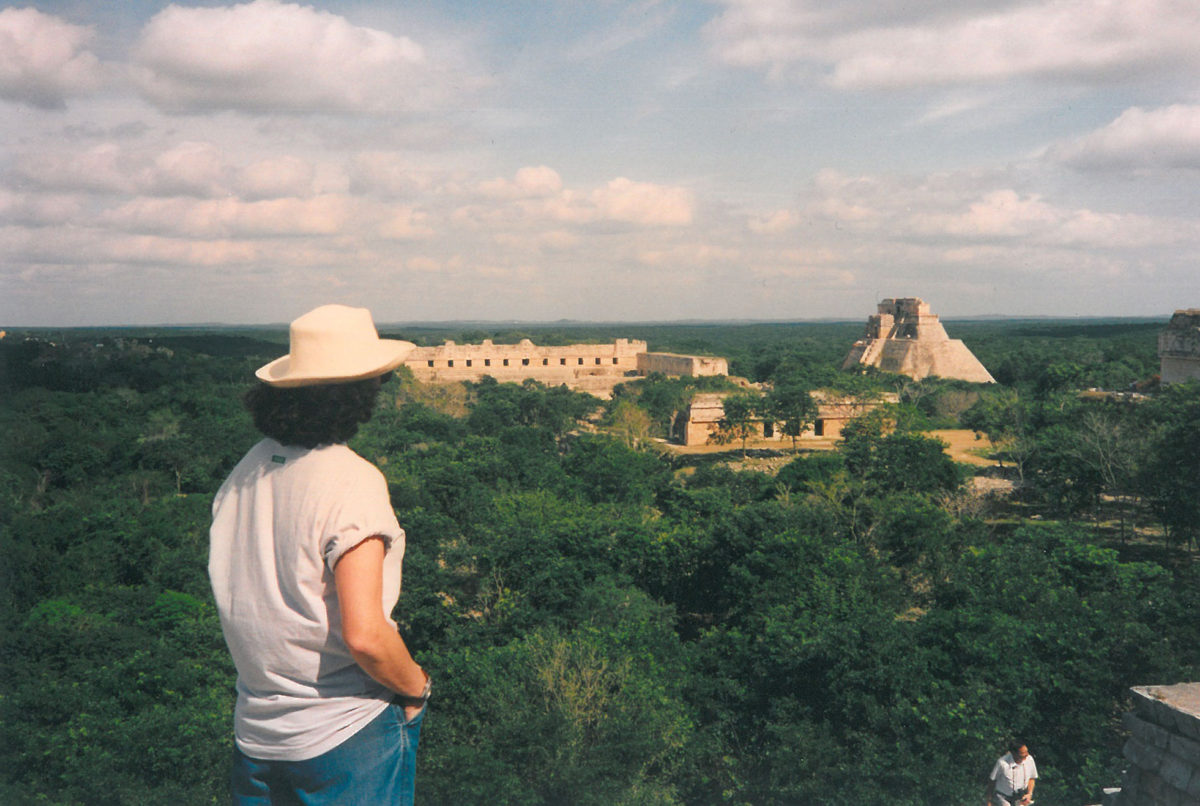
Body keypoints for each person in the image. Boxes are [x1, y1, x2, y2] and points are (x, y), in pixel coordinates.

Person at [209, 304, 430, 805]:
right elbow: (366, 636)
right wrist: (416, 687)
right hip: (344, 737)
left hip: (256, 734)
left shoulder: (247, 470)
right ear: (359, 394)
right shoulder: (351, 482)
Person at [985, 740, 1037, 806]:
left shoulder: (1029, 759)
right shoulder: (1002, 763)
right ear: (1013, 753)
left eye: (1027, 751)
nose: (1026, 755)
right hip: (1003, 798)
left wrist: (1029, 794)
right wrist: (989, 800)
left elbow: (1032, 778)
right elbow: (992, 781)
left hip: (1021, 798)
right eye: (1022, 753)